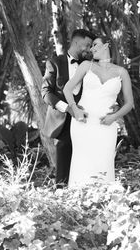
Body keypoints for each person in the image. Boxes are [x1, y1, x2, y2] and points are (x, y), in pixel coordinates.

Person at [63, 35, 134, 187]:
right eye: (91, 46)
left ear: (107, 45)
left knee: (104, 161)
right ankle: (78, 200)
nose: (92, 48)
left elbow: (129, 104)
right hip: (83, 123)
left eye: (95, 45)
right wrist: (75, 109)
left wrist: (114, 117)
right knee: (81, 162)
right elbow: (67, 89)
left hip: (106, 126)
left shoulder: (122, 72)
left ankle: (103, 202)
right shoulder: (86, 66)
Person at [41, 29, 96, 187]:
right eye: (87, 45)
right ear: (76, 42)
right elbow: (46, 92)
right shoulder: (55, 63)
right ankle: (61, 192)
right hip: (63, 120)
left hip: (86, 119)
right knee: (64, 159)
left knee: (86, 159)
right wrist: (68, 108)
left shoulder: (90, 66)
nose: (89, 49)